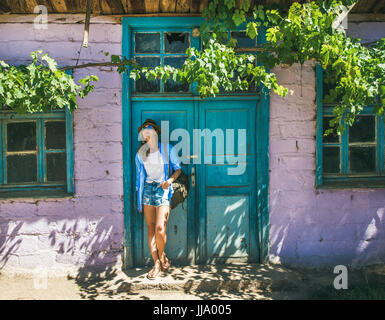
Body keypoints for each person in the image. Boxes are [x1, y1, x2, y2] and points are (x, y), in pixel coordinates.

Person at [135, 119, 182, 279]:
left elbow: (177, 169)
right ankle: (156, 263)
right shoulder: (141, 153)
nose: (146, 131)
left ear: (155, 132)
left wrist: (169, 181)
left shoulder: (167, 149)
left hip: (163, 190)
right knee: (151, 227)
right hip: (147, 190)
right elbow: (139, 178)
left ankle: (161, 255)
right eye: (144, 129)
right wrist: (139, 195)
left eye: (149, 128)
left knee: (160, 228)